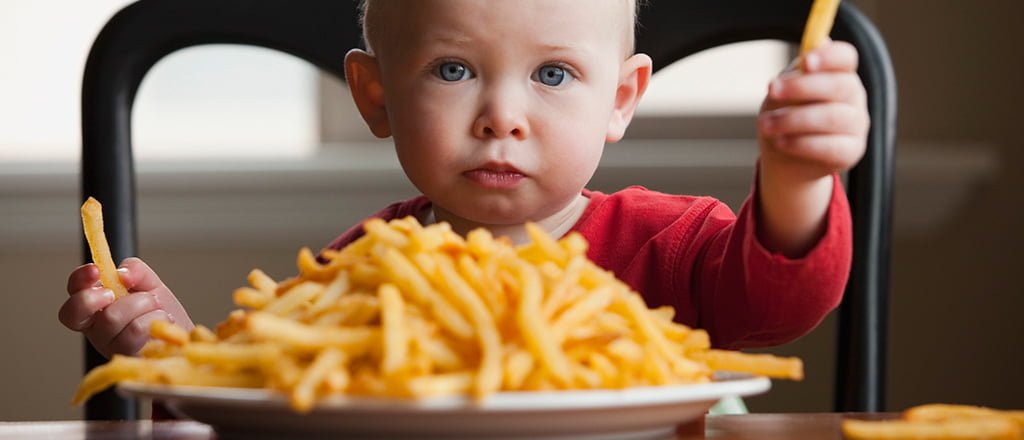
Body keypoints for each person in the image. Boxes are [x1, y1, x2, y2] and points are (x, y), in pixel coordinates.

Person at [59, 0, 868, 360]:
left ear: (620, 100)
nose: (501, 117)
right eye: (453, 68)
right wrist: (170, 350)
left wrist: (798, 180)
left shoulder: (670, 248)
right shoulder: (359, 275)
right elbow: (276, 412)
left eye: (553, 74)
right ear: (377, 96)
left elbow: (779, 303)